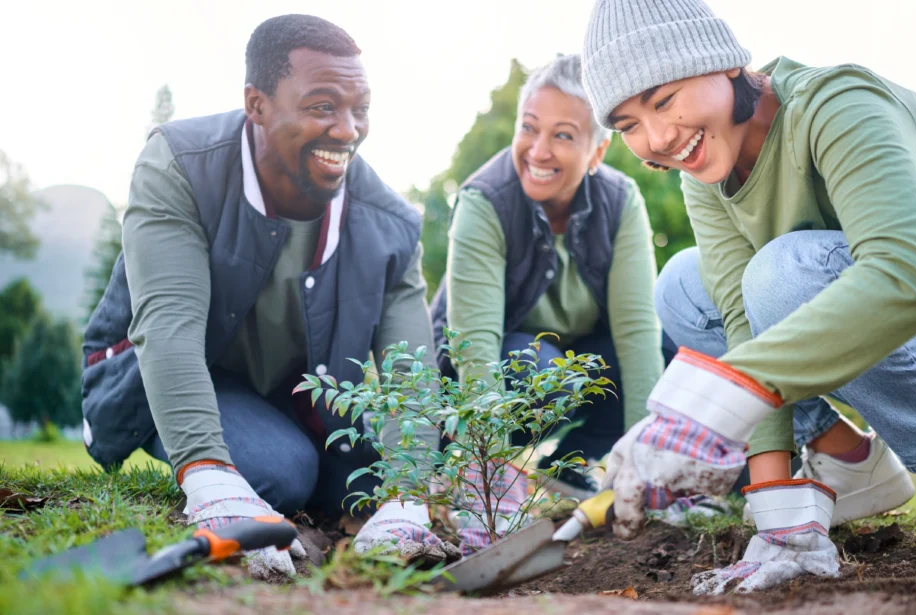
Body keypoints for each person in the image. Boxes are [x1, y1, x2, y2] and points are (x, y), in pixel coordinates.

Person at [580, 0, 916, 594]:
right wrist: (779, 514)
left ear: (724, 64)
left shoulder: (837, 103)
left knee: (782, 274)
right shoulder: (707, 169)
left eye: (663, 99)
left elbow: (910, 275)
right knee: (687, 288)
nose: (658, 136)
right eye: (629, 124)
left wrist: (714, 400)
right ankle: (846, 463)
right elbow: (741, 322)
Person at [81, 14, 462, 579]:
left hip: (297, 392)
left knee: (364, 475)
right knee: (282, 470)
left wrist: (404, 498)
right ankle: (201, 456)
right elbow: (169, 327)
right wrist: (210, 476)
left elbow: (411, 372)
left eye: (360, 108)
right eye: (322, 106)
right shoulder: (180, 166)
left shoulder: (389, 221)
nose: (348, 129)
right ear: (255, 104)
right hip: (179, 371)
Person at [429, 54, 677, 501]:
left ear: (597, 151)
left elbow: (638, 333)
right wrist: (492, 474)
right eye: (529, 127)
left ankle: (574, 465)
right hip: (481, 381)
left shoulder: (621, 202)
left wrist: (647, 463)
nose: (538, 151)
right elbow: (475, 345)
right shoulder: (484, 201)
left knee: (668, 346)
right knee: (539, 366)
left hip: (569, 361)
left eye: (563, 135)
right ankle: (474, 468)